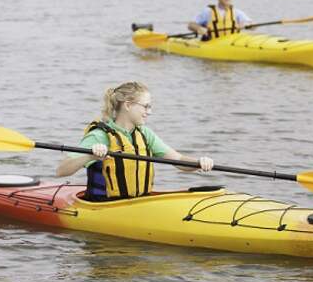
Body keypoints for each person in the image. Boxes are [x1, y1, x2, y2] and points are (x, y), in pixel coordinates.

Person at [55, 81, 214, 201]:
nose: (149, 112)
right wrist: (90, 156)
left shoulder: (144, 133)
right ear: (128, 105)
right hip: (105, 205)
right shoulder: (100, 135)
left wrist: (198, 163)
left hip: (138, 203)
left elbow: (178, 160)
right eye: (146, 106)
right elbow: (61, 171)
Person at [187, 0, 252, 40]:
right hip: (212, 44)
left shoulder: (237, 12)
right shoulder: (208, 11)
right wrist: (199, 28)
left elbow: (252, 25)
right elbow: (190, 25)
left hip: (231, 44)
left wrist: (246, 24)